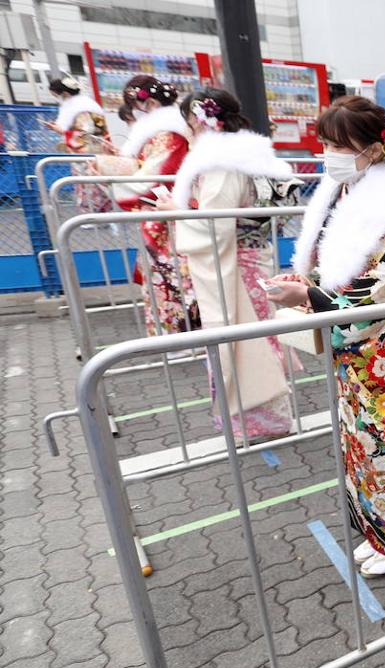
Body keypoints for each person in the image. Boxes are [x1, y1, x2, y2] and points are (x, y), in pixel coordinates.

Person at [271, 96, 385, 577]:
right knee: (362, 437)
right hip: (356, 347)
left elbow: (383, 288)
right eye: (326, 143)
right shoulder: (352, 190)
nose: (329, 152)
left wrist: (309, 299)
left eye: (338, 144)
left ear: (373, 149)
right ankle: (380, 529)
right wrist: (308, 288)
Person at [167, 87, 298, 440]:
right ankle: (261, 420)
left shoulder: (221, 162)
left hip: (237, 264)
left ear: (199, 119)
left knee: (243, 339)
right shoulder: (242, 155)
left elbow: (215, 224)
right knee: (256, 336)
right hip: (250, 259)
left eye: (189, 122)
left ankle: (257, 423)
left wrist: (175, 213)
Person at [93, 75, 195, 336]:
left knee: (171, 277)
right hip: (167, 211)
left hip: (167, 212)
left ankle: (180, 338)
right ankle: (184, 335)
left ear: (149, 104)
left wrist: (112, 176)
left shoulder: (168, 134)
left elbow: (152, 177)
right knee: (173, 277)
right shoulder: (168, 131)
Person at [49, 76, 109, 153]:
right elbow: (100, 125)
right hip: (99, 143)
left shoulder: (69, 106)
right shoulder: (89, 102)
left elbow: (62, 128)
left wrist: (54, 127)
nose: (57, 98)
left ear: (65, 94)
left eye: (56, 96)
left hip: (82, 145)